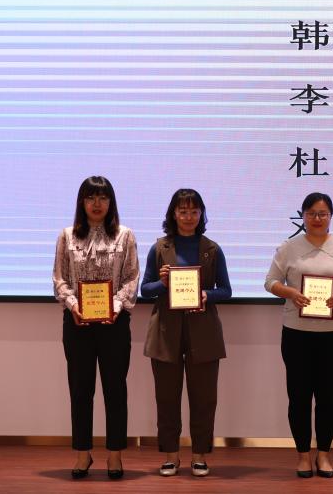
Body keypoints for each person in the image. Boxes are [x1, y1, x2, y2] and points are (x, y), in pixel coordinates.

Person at [264, 192, 333, 478]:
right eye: (311, 213)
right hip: (296, 334)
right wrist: (289, 292)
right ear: (303, 216)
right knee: (298, 397)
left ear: (331, 216)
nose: (317, 219)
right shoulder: (289, 247)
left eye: (322, 214)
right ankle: (302, 456)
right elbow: (270, 282)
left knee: (328, 398)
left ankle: (323, 454)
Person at [52, 176, 139, 480]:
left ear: (111, 202)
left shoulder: (125, 235)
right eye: (90, 198)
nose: (97, 204)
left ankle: (115, 455)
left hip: (115, 323)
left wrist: (114, 306)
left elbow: (131, 278)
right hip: (77, 322)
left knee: (115, 389)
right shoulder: (66, 236)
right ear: (82, 202)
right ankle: (83, 453)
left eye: (103, 198)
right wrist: (73, 304)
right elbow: (59, 278)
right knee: (80, 390)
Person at [141, 189, 232, 477]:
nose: (188, 216)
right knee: (166, 398)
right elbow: (145, 290)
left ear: (201, 214)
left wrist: (206, 295)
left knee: (204, 398)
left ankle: (199, 455)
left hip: (203, 331)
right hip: (166, 332)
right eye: (183, 211)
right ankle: (171, 456)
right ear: (173, 214)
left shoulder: (212, 249)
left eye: (194, 211)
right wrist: (163, 283)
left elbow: (226, 290)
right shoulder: (159, 248)